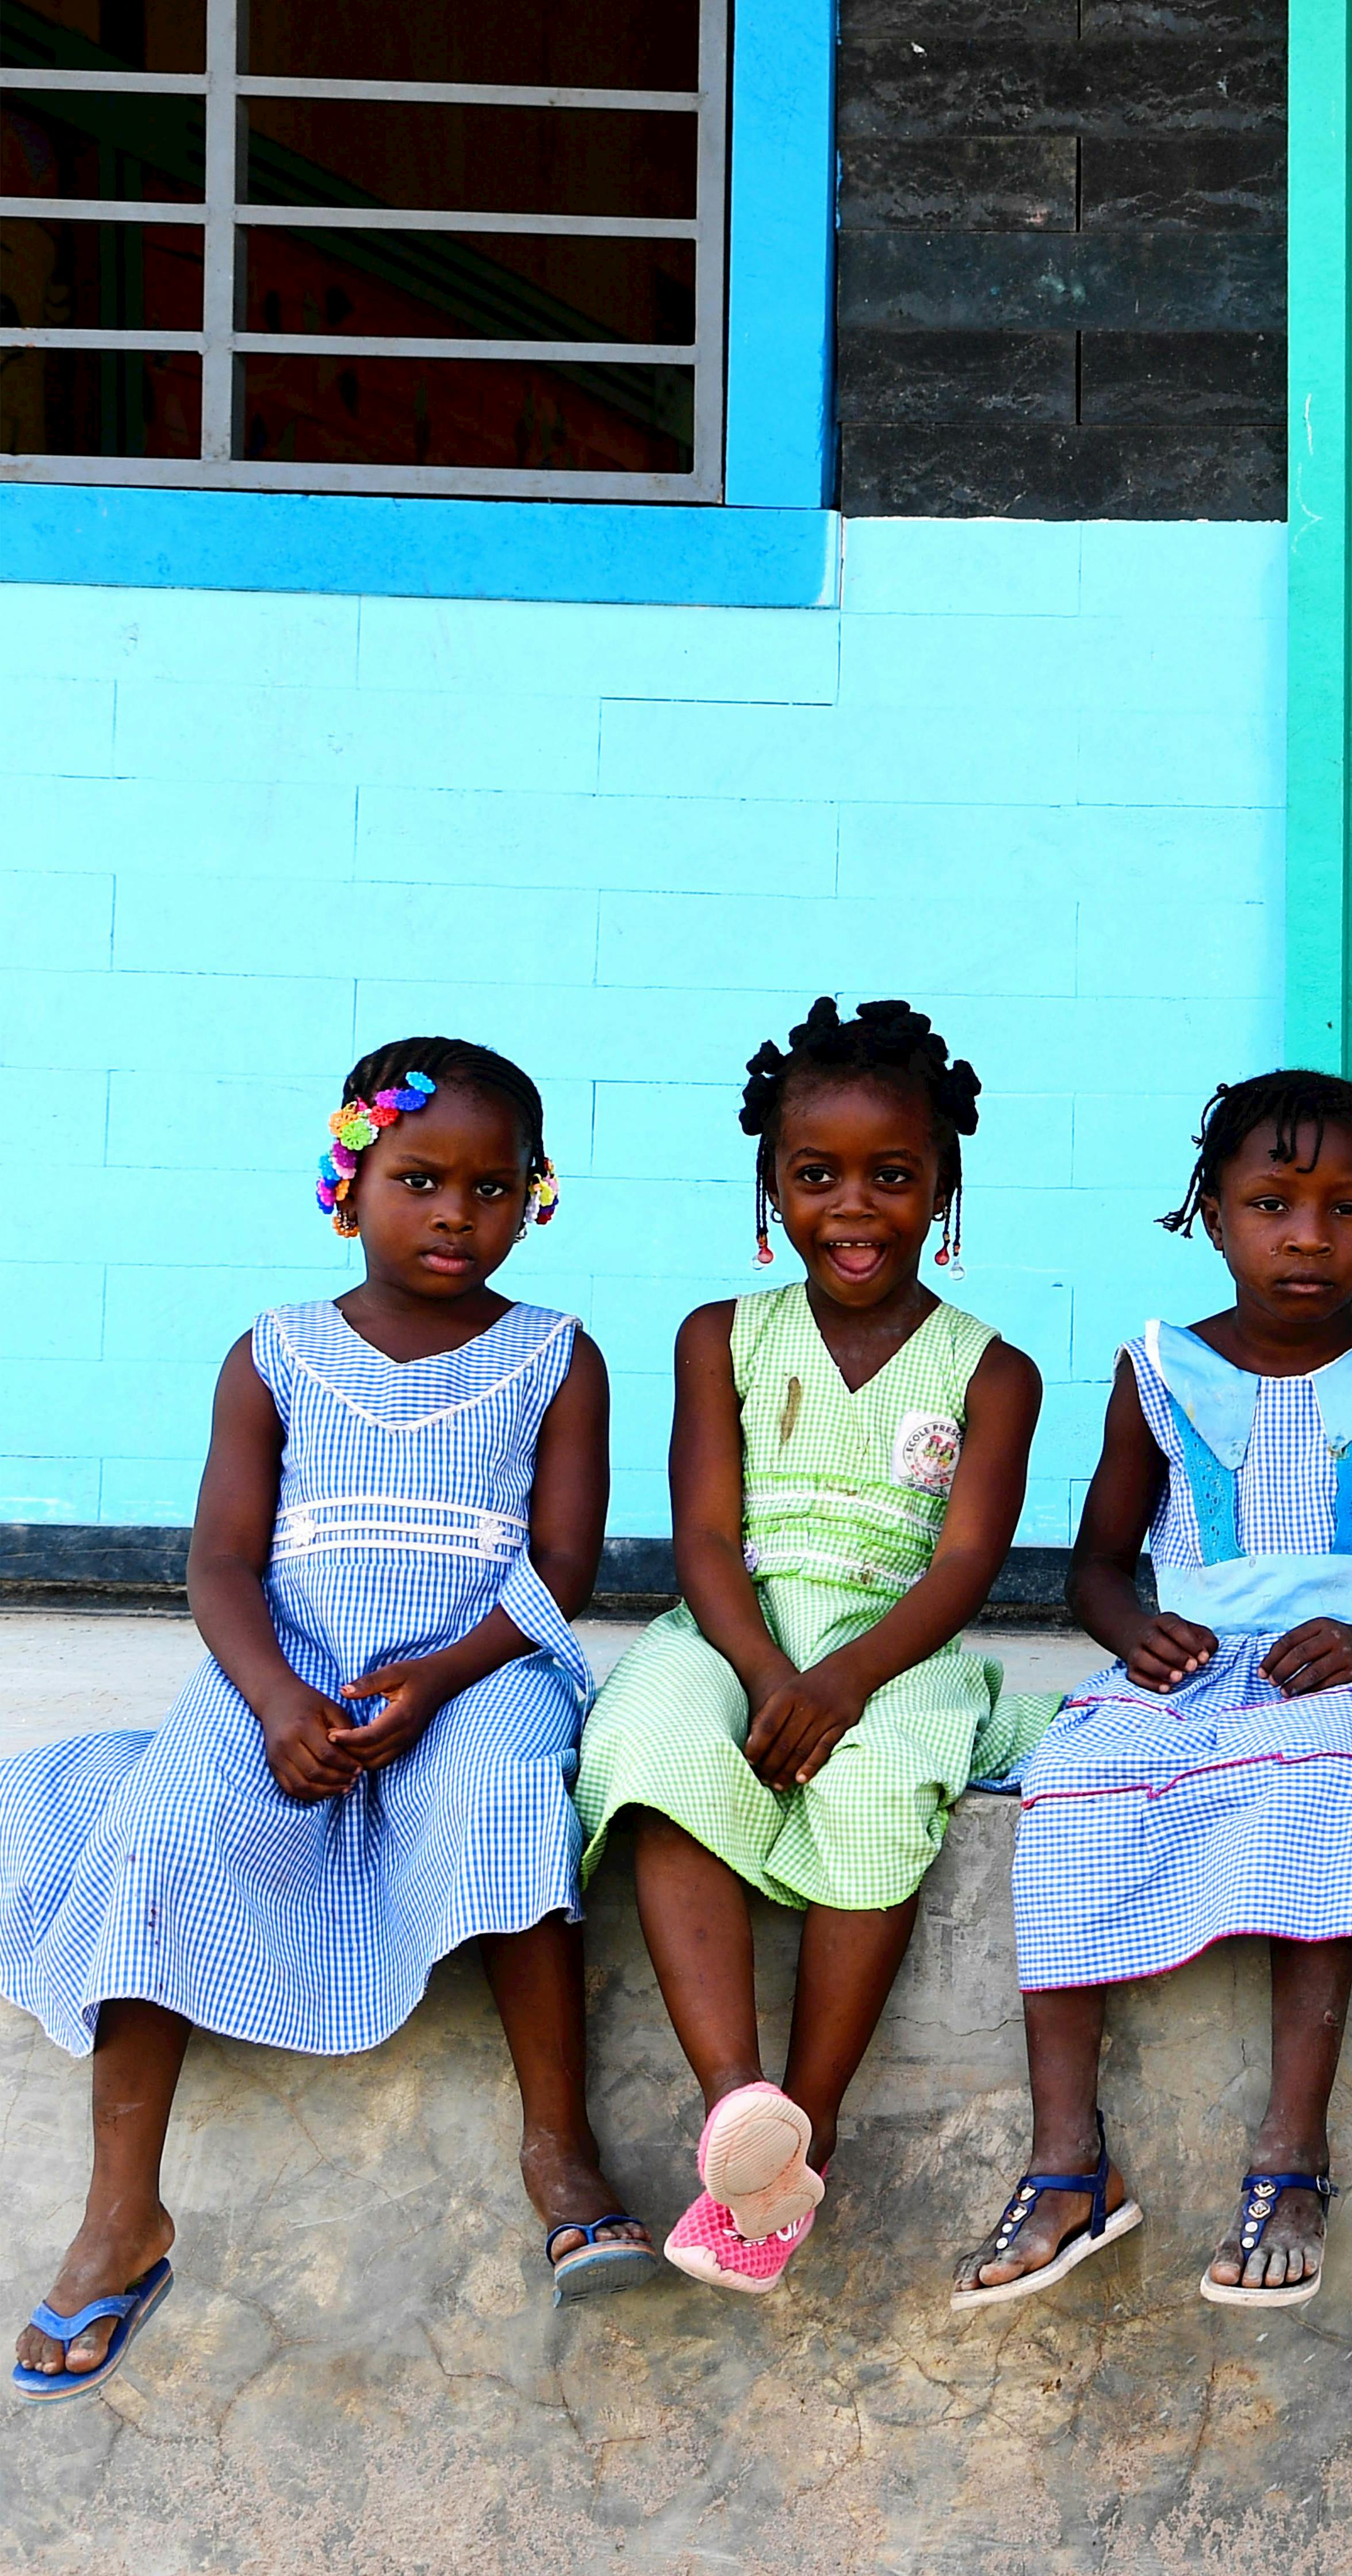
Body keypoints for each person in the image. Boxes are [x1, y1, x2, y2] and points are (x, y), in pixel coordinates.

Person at [1, 1041, 647, 2401]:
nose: (455, 1212)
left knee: (504, 1802)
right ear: (349, 1184)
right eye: (419, 1179)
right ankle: (123, 2209)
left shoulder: (558, 1357)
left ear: (537, 1195)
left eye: (493, 1184)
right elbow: (222, 1563)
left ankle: (560, 2151)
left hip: (479, 1663)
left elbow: (564, 1571)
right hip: (281, 1662)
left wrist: (439, 1675)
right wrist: (279, 1694)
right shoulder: (276, 1352)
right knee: (162, 1825)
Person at [951, 1074, 1352, 2313]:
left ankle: (1291, 2156)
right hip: (1199, 1666)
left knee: (1319, 1783)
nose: (1308, 1236)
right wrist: (1132, 1630)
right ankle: (1066, 2166)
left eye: (1347, 1208)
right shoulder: (1158, 1369)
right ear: (1211, 1215)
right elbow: (1097, 1566)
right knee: (1073, 1778)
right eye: (1271, 1203)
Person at [570, 999, 1048, 2294]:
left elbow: (962, 1568)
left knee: (883, 1780)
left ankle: (811, 2124)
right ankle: (741, 2110)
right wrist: (771, 1675)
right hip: (736, 1628)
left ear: (943, 1186)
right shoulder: (721, 1334)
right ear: (770, 1187)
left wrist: (842, 1681)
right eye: (815, 1176)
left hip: (891, 1647)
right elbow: (707, 1540)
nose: (853, 1207)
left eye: (892, 1177)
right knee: (660, 1740)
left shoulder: (989, 1370)